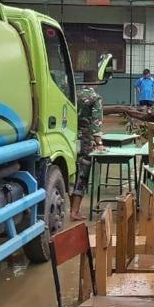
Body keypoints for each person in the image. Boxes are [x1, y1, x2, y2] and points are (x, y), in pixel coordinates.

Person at [70, 84, 105, 220]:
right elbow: (96, 124)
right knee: (82, 174)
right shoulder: (95, 98)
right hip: (86, 140)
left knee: (72, 173)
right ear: (96, 83)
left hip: (71, 138)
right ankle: (75, 211)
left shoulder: (73, 94)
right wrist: (99, 143)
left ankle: (71, 209)